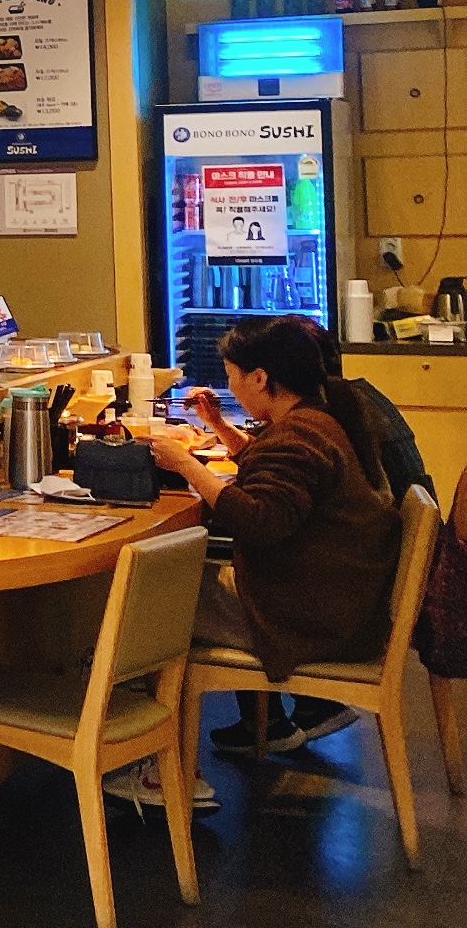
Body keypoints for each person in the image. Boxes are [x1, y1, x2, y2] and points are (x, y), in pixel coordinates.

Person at [147, 313, 402, 760]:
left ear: (261, 378)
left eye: (233, 377)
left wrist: (185, 464)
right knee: (191, 579)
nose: (232, 388)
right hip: (335, 601)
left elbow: (258, 522)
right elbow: (276, 475)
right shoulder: (318, 418)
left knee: (149, 604)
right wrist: (218, 425)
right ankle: (264, 725)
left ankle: (151, 762)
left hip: (305, 618)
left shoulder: (297, 436)